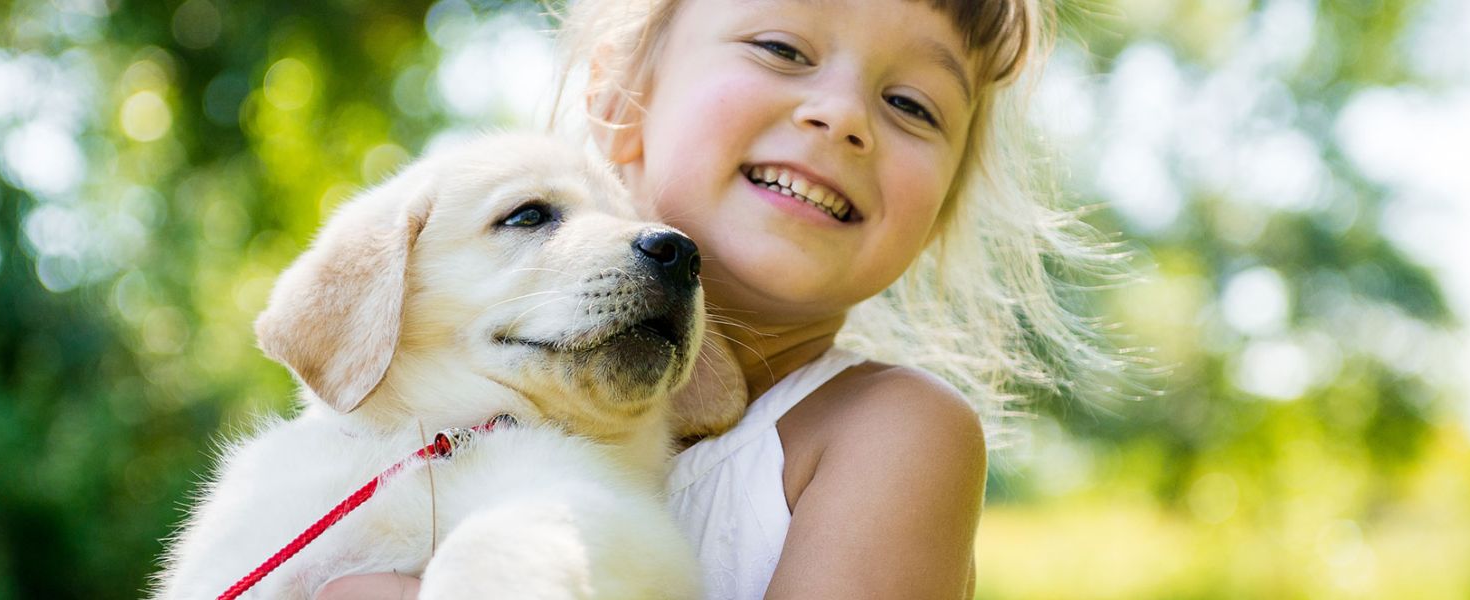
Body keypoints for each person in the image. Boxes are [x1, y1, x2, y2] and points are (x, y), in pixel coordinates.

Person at [320, 0, 1130, 597]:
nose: (844, 116)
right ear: (618, 97)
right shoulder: (476, 368)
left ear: (940, 209)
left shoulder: (892, 433)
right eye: (783, 48)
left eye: (912, 105)